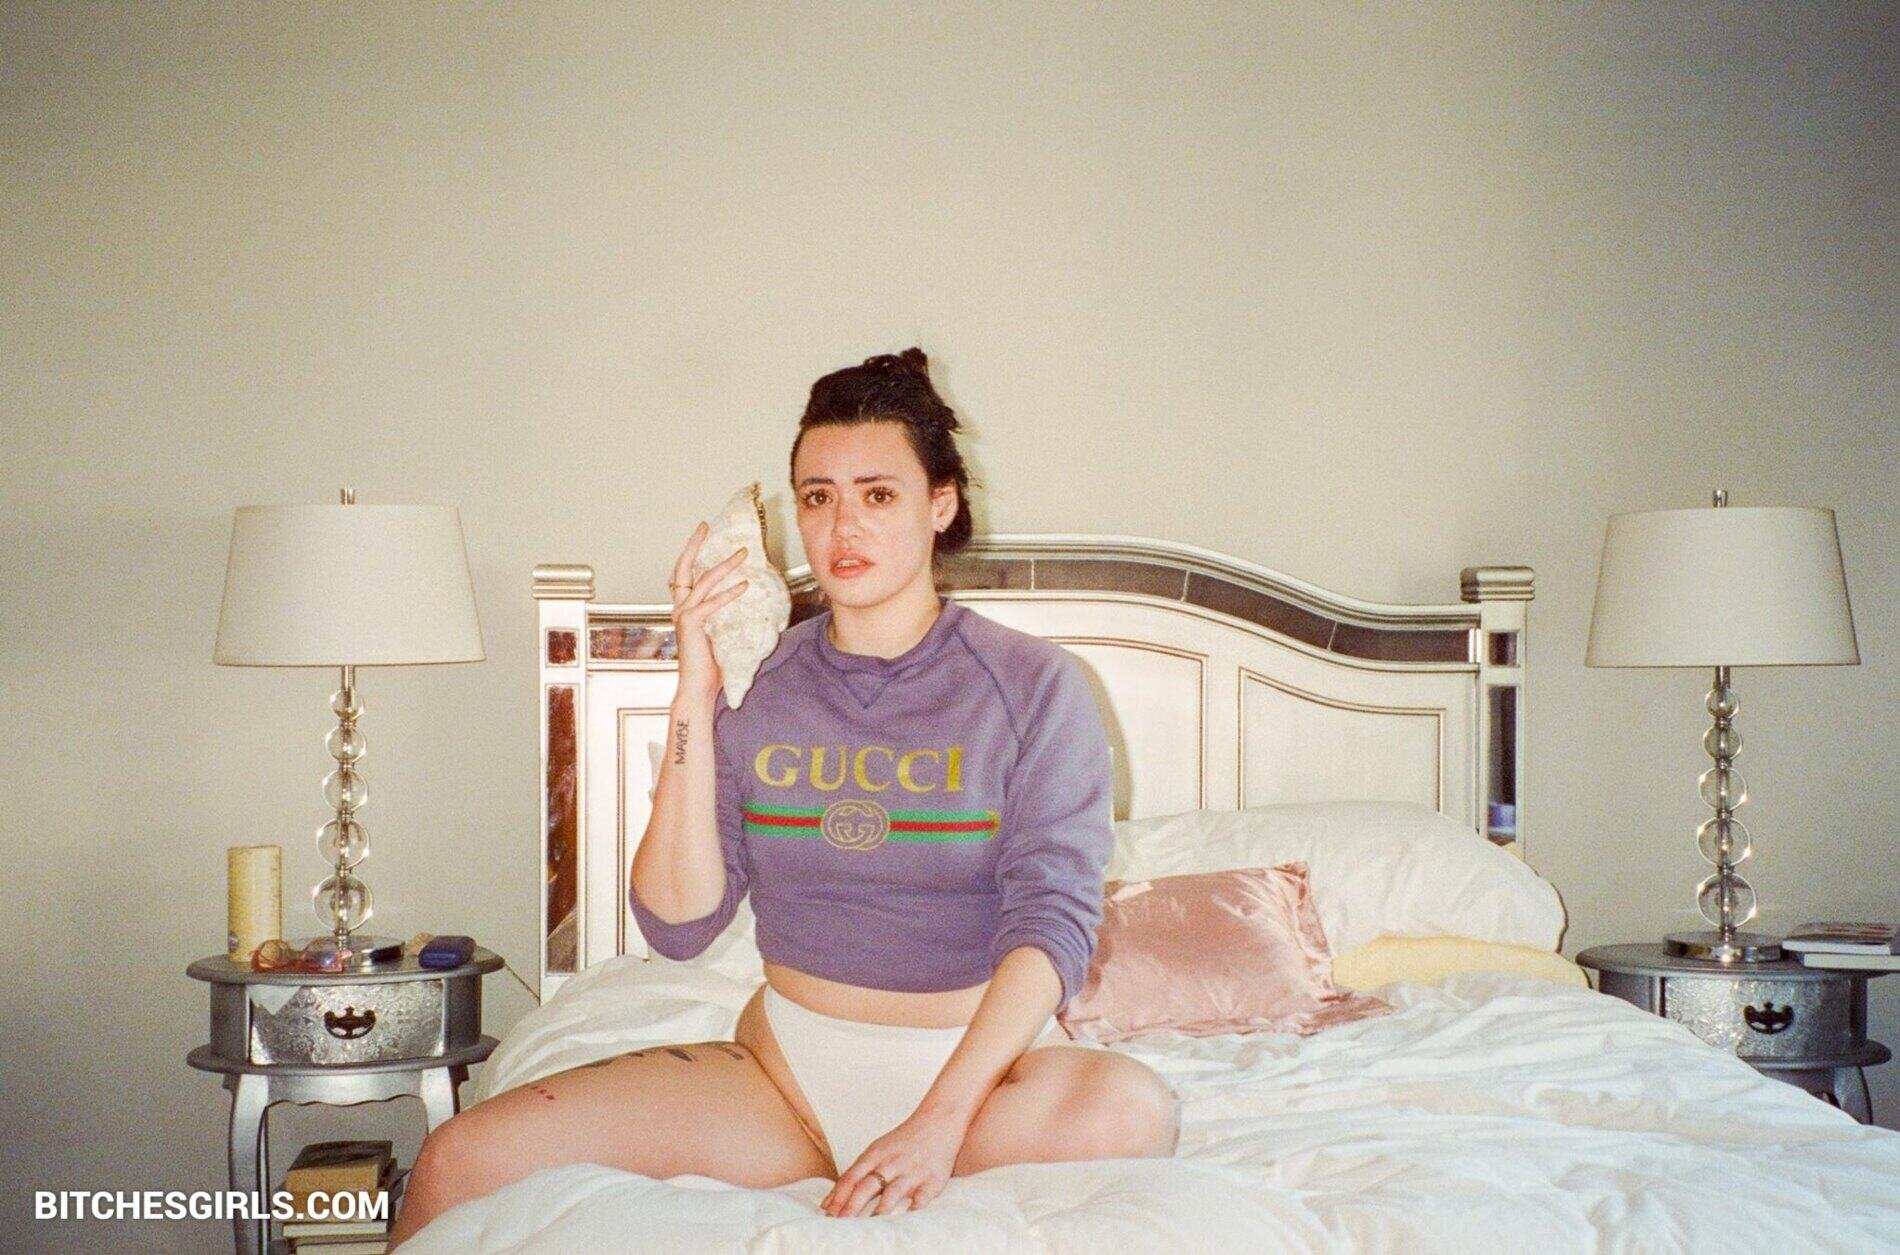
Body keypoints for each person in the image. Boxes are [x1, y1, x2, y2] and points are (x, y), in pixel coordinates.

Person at [388, 348, 1177, 1247]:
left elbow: (1051, 924)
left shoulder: (1036, 686)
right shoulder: (756, 682)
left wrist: (936, 1122)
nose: (844, 525)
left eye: (878, 494)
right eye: (817, 496)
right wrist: (695, 692)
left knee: (1132, 1107)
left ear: (941, 504)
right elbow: (677, 924)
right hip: (787, 1082)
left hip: (983, 1084)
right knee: (455, 1159)